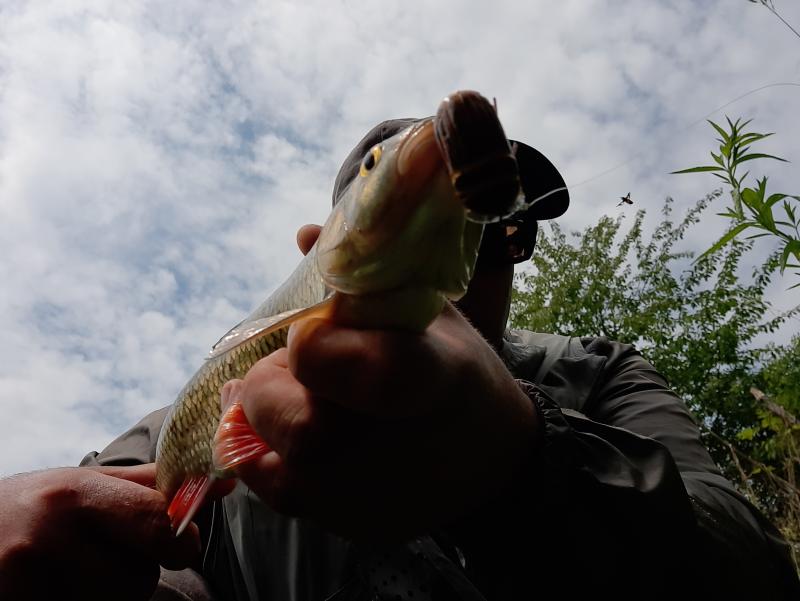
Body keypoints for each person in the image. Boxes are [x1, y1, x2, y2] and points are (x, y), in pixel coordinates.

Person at [2, 117, 799, 601]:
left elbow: (755, 568)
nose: (472, 240)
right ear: (321, 244)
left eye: (495, 226)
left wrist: (526, 465)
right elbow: (116, 542)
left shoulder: (602, 375)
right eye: (405, 195)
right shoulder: (205, 404)